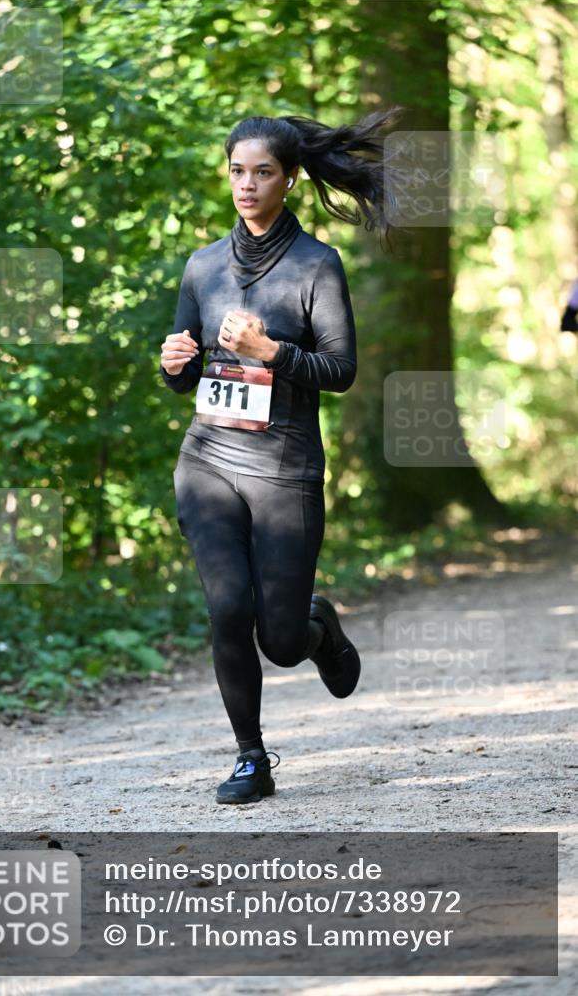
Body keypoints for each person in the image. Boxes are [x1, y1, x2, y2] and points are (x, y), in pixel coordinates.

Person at [159, 110, 403, 805]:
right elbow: (186, 368)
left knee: (281, 639)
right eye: (236, 170)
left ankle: (317, 628)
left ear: (288, 180)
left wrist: (272, 352)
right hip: (207, 459)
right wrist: (175, 363)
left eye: (262, 172)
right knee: (227, 608)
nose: (246, 184)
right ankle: (250, 757)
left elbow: (341, 369)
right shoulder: (203, 265)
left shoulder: (314, 265)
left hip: (284, 467)